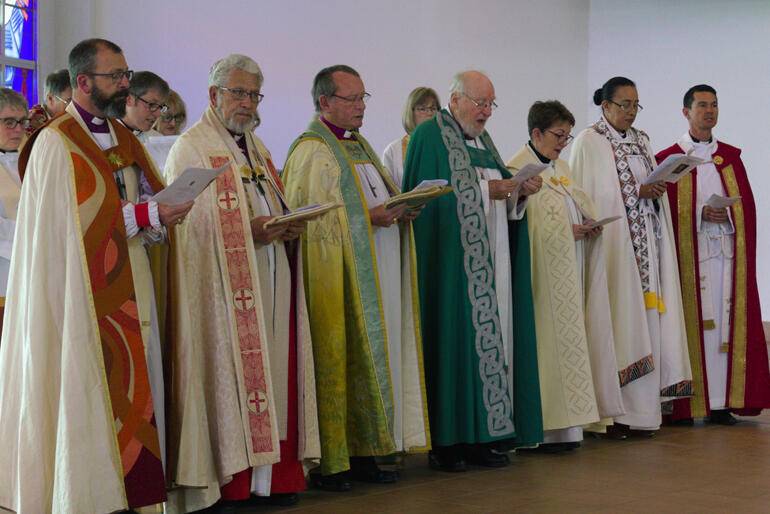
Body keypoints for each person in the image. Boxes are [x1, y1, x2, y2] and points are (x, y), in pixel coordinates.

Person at [0, 38, 192, 513]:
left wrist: (158, 220)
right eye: (115, 76)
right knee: (86, 386)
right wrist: (144, 216)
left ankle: (134, 497)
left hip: (133, 286)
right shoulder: (54, 142)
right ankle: (85, 494)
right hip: (80, 299)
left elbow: (139, 205)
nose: (125, 84)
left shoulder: (124, 139)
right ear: (83, 82)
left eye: (127, 74)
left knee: (135, 387)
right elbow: (64, 231)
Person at [163, 54, 320, 511]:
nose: (248, 103)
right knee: (232, 381)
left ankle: (271, 481)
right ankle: (235, 484)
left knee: (275, 375)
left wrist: (286, 226)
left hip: (271, 276)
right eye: (239, 93)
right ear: (214, 95)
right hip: (224, 295)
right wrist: (248, 231)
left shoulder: (259, 149)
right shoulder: (191, 149)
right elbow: (183, 226)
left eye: (254, 94)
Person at [281, 64, 430, 491]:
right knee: (341, 359)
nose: (362, 106)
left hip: (380, 271)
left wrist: (401, 208)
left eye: (365, 98)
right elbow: (311, 222)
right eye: (352, 99)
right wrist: (369, 218)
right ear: (325, 102)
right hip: (339, 278)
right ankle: (336, 462)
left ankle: (371, 450)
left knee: (377, 359)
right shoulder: (312, 151)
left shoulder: (360, 147)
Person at [402, 70, 543, 471]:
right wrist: (488, 191)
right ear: (456, 99)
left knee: (491, 349)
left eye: (490, 105)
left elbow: (498, 186)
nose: (485, 113)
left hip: (490, 265)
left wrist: (517, 190)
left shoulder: (482, 140)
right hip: (450, 268)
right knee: (451, 347)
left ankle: (486, 436)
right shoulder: (430, 135)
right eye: (480, 103)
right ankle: (448, 442)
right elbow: (426, 198)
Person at [569, 76, 692, 437]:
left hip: (648, 252)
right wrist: (635, 191)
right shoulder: (589, 142)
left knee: (648, 324)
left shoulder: (642, 141)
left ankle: (643, 413)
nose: (631, 112)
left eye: (636, 105)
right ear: (605, 106)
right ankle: (616, 415)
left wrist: (654, 189)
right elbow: (588, 196)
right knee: (620, 324)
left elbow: (646, 190)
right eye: (624, 105)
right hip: (615, 256)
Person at [506, 100, 625, 451]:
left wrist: (588, 225)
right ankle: (543, 429)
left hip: (570, 272)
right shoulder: (516, 170)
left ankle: (569, 427)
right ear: (536, 133)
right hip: (540, 280)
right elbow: (520, 226)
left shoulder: (561, 168)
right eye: (558, 135)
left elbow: (573, 205)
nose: (563, 142)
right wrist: (565, 232)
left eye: (567, 136)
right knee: (544, 348)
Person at [657, 84, 770, 425]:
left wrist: (730, 215)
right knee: (693, 326)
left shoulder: (730, 158)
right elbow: (664, 211)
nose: (710, 111)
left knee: (724, 328)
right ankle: (687, 404)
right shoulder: (671, 159)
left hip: (725, 259)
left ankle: (722, 402)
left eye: (714, 105)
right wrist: (698, 214)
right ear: (686, 112)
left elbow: (747, 207)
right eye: (702, 105)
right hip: (690, 260)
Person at [0, 88, 28, 337]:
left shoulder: (30, 160)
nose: (18, 129)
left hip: (30, 269)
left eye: (22, 122)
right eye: (9, 122)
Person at [381, 87, 440, 188]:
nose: (429, 113)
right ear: (410, 113)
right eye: (422, 109)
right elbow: (387, 192)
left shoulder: (446, 145)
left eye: (433, 108)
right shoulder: (394, 150)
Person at [120, 70, 169, 143]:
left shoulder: (158, 141)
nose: (158, 114)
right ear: (129, 99)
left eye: (160, 107)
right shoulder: (103, 135)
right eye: (152, 105)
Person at [26, 68, 72, 133]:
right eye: (69, 101)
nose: (74, 107)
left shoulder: (71, 120)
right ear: (50, 98)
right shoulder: (31, 123)